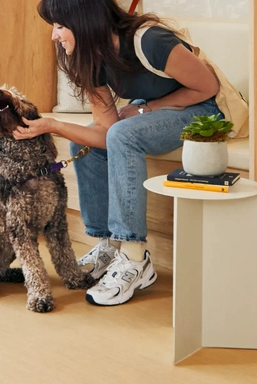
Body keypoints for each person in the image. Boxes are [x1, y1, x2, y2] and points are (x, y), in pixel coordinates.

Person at [12, 0, 222, 306]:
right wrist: (53, 125)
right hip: (155, 110)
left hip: (202, 110)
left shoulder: (150, 40)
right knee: (83, 143)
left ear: (83, 21)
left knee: (123, 134)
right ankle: (108, 245)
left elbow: (207, 87)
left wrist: (145, 108)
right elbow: (104, 133)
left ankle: (135, 259)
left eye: (59, 26)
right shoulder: (91, 57)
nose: (53, 36)